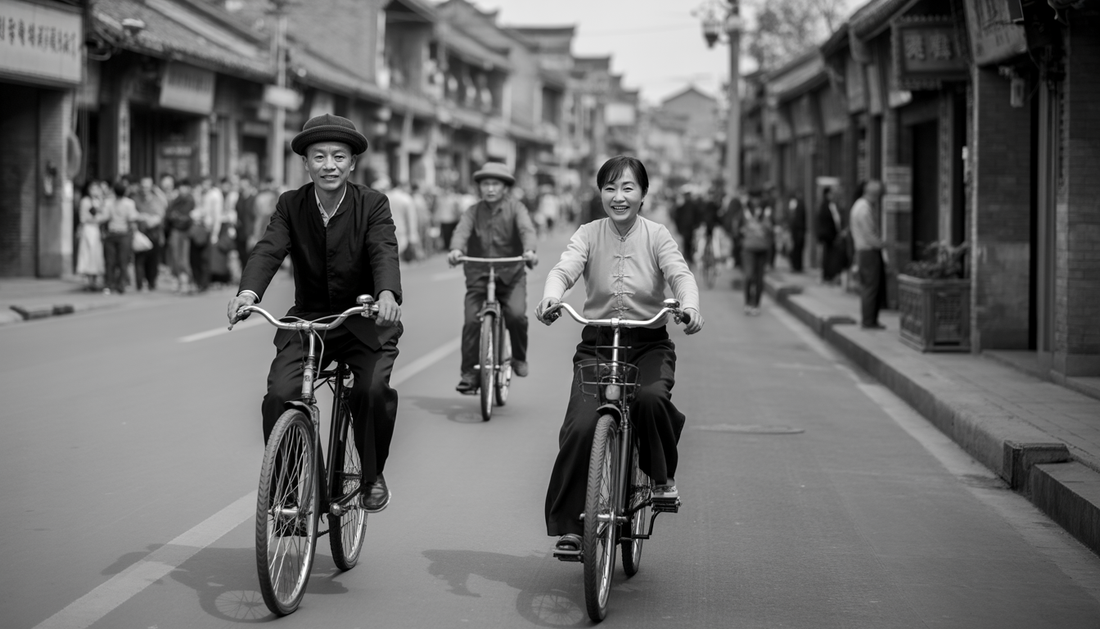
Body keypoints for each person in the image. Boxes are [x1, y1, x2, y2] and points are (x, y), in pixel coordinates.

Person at [226, 113, 403, 512]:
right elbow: (269, 250)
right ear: (305, 163)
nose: (329, 165)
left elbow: (383, 250)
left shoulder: (373, 204)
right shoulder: (291, 204)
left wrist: (387, 294)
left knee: (372, 391)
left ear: (352, 162)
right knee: (279, 395)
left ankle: (372, 475)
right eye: (319, 156)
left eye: (338, 156)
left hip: (364, 319)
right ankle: (289, 495)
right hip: (309, 322)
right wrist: (248, 293)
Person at [535, 156, 703, 554]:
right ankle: (573, 527)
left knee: (650, 399)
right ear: (600, 193)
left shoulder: (658, 235)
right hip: (598, 343)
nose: (619, 196)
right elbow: (564, 269)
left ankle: (660, 478)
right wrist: (551, 296)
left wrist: (689, 305)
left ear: (643, 194)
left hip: (648, 343)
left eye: (628, 188)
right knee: (580, 427)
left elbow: (680, 275)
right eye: (610, 188)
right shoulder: (588, 233)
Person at [447, 162, 538, 394]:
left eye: (495, 184)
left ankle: (518, 357)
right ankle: (469, 374)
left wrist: (529, 250)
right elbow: (461, 231)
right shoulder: (472, 211)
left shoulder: (516, 208)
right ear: (479, 187)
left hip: (511, 274)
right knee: (471, 322)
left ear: (505, 187)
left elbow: (526, 230)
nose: (490, 188)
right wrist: (456, 249)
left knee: (516, 315)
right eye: (485, 184)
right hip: (479, 274)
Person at [849, 180, 887, 329]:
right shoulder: (864, 209)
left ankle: (870, 319)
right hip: (868, 251)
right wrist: (882, 244)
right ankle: (869, 320)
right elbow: (869, 235)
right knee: (871, 286)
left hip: (864, 251)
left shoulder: (860, 206)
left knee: (869, 286)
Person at [101, 180, 140, 295]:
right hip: (124, 235)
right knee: (123, 261)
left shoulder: (108, 202)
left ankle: (109, 284)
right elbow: (132, 219)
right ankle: (121, 285)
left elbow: (104, 217)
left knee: (110, 261)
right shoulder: (129, 203)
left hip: (111, 234)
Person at [738, 194, 773, 315]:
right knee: (749, 276)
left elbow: (770, 232)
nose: (757, 209)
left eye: (759, 207)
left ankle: (756, 304)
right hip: (748, 250)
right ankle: (748, 303)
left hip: (762, 250)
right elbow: (738, 229)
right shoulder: (745, 215)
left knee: (759, 279)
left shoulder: (766, 217)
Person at [133, 175, 167, 291]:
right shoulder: (135, 199)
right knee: (139, 260)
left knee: (153, 260)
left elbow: (161, 214)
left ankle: (151, 282)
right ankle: (139, 284)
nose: (144, 189)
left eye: (147, 186)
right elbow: (132, 213)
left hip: (154, 234)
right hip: (140, 234)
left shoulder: (157, 199)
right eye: (143, 186)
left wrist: (152, 220)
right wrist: (143, 217)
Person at [165, 177, 195, 294]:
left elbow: (187, 217)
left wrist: (177, 216)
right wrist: (176, 216)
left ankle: (188, 282)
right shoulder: (175, 199)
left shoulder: (190, 200)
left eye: (184, 187)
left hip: (185, 231)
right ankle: (179, 281)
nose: (182, 189)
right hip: (175, 230)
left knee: (184, 259)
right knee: (175, 257)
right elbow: (169, 214)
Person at [75, 180, 106, 290]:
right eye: (93, 189)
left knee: (96, 254)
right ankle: (88, 281)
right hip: (88, 230)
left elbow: (104, 215)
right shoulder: (85, 201)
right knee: (87, 254)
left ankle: (95, 280)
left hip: (97, 230)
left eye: (97, 189)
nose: (95, 191)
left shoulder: (100, 201)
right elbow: (84, 217)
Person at [817, 186, 847, 284]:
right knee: (828, 256)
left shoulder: (831, 205)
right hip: (828, 235)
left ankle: (830, 274)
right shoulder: (825, 206)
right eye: (831, 193)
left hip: (831, 235)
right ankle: (828, 275)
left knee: (830, 255)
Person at [787, 194, 806, 273]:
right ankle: (797, 266)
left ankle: (797, 266)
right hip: (797, 232)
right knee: (797, 249)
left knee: (797, 249)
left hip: (797, 231)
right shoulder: (799, 205)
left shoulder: (798, 206)